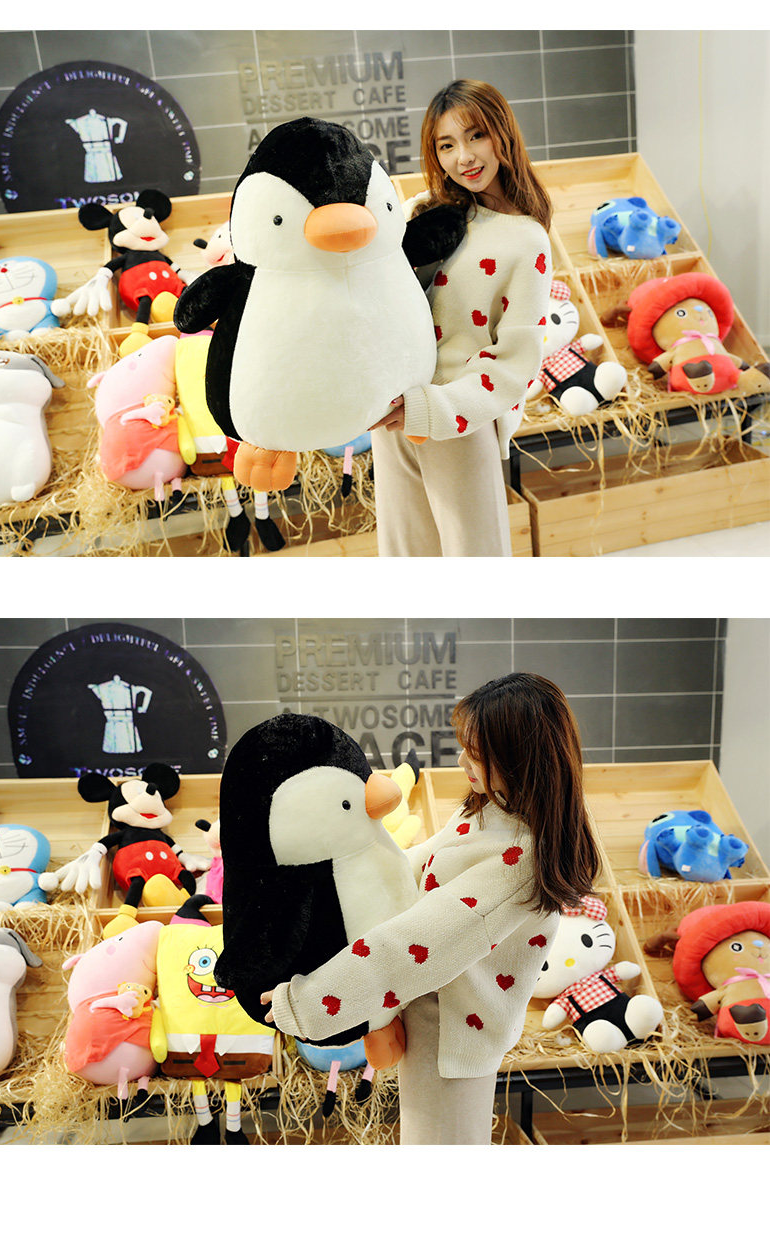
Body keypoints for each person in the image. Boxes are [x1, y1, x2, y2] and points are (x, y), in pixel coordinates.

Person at [261, 673, 602, 1145]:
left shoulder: (522, 856)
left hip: (452, 1032)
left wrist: (308, 1003)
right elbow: (414, 867)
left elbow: (418, 943)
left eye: (476, 754)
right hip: (430, 1014)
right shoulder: (488, 810)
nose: (462, 761)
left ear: (519, 760)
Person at [369, 79, 553, 557]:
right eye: (446, 145)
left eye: (476, 136)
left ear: (502, 133)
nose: (464, 157)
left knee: (475, 558)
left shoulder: (527, 239)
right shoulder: (422, 210)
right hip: (393, 414)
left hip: (458, 420)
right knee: (406, 557)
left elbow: (514, 363)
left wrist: (435, 408)